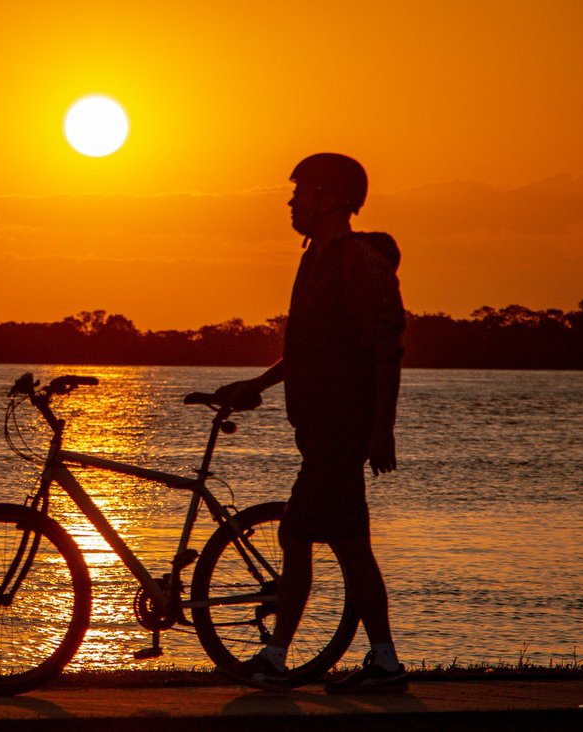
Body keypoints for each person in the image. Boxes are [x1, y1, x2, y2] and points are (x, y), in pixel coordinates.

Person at [217, 153, 408, 693]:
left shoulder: (356, 261)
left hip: (343, 432)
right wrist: (253, 386)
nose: (291, 201)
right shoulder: (314, 261)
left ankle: (278, 660)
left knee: (300, 533)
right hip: (320, 430)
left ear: (328, 197)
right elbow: (305, 352)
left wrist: (381, 429)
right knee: (346, 544)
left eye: (300, 191)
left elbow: (385, 350)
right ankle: (382, 662)